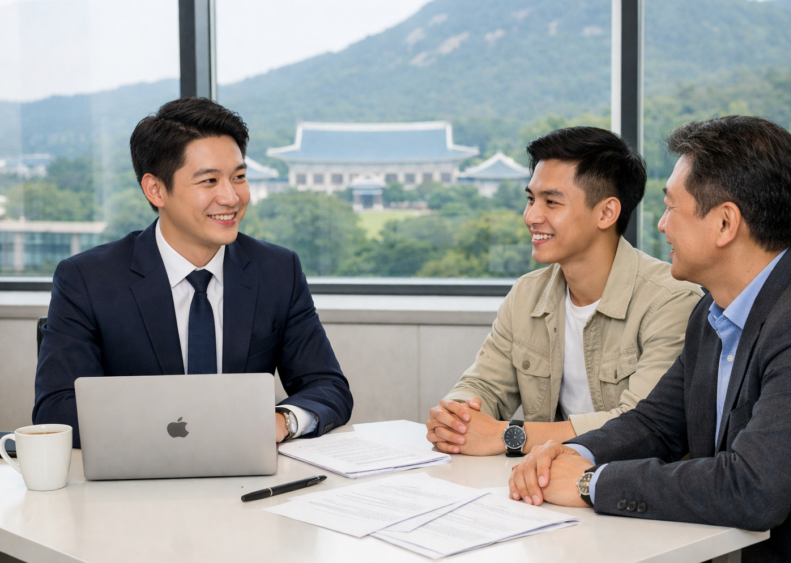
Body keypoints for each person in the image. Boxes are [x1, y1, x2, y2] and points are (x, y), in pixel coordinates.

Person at [508, 116, 791, 563]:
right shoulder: (712, 311)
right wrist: (569, 455)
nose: (661, 226)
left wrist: (590, 483)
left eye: (671, 208)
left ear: (724, 223)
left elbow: (752, 488)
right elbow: (656, 424)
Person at [33, 97, 353, 448]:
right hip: (134, 485)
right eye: (210, 181)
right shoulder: (87, 279)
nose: (231, 197)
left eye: (239, 177)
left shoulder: (277, 270)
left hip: (246, 478)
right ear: (156, 189)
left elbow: (327, 386)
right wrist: (182, 432)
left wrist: (282, 421)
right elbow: (57, 411)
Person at [427, 127, 702, 456]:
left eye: (551, 202)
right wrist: (456, 418)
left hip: (630, 496)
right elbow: (484, 385)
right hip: (543, 489)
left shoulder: (671, 301)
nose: (531, 216)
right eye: (530, 199)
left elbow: (640, 427)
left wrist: (510, 435)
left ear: (606, 213)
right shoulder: (526, 294)